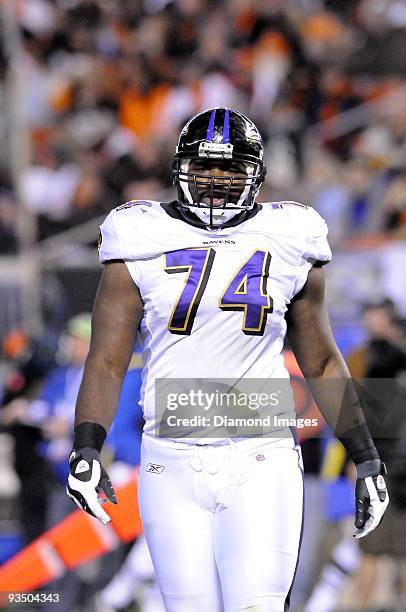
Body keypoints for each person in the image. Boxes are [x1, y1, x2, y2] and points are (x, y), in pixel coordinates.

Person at [66, 108, 389, 612]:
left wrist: (365, 453)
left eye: (230, 170)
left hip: (260, 453)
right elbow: (107, 359)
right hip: (170, 456)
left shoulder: (291, 233)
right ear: (181, 168)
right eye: (205, 167)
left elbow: (322, 361)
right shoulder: (139, 232)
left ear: (254, 175)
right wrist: (86, 445)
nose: (216, 181)